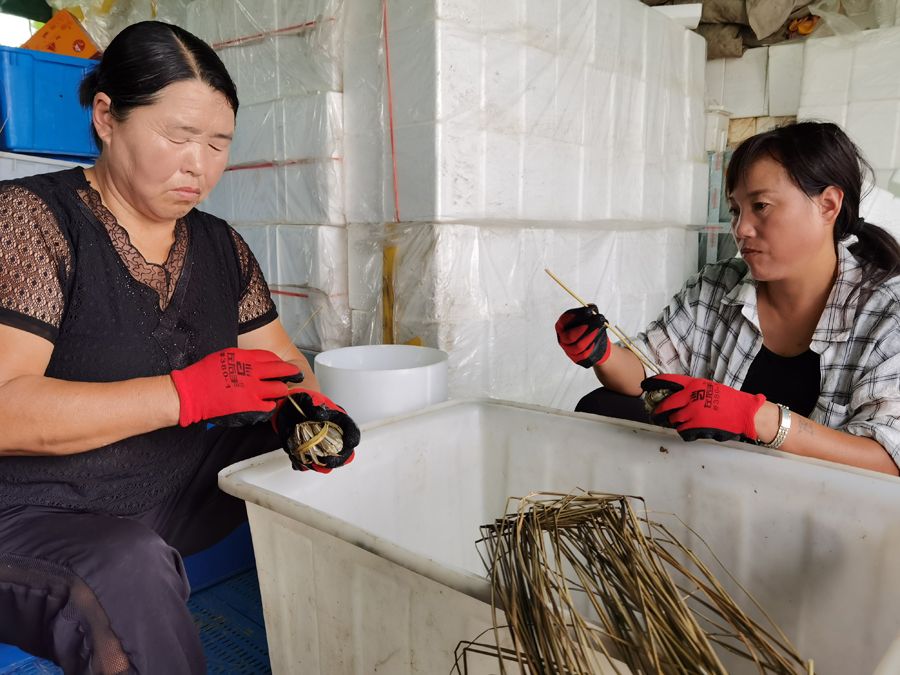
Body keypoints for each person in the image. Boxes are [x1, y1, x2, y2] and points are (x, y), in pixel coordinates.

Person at [0, 21, 359, 674]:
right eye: (179, 136)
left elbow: (283, 367)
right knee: (125, 568)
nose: (201, 164)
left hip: (169, 483)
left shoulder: (221, 246)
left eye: (219, 143)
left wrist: (308, 414)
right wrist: (185, 392)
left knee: (342, 460)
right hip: (30, 512)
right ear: (106, 117)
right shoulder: (31, 221)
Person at [556, 121, 900, 477]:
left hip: (825, 519)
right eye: (736, 210)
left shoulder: (888, 315)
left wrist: (760, 419)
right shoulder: (716, 288)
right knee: (600, 406)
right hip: (716, 494)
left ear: (827, 205)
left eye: (761, 206)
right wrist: (603, 353)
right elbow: (646, 371)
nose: (741, 229)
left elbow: (890, 460)